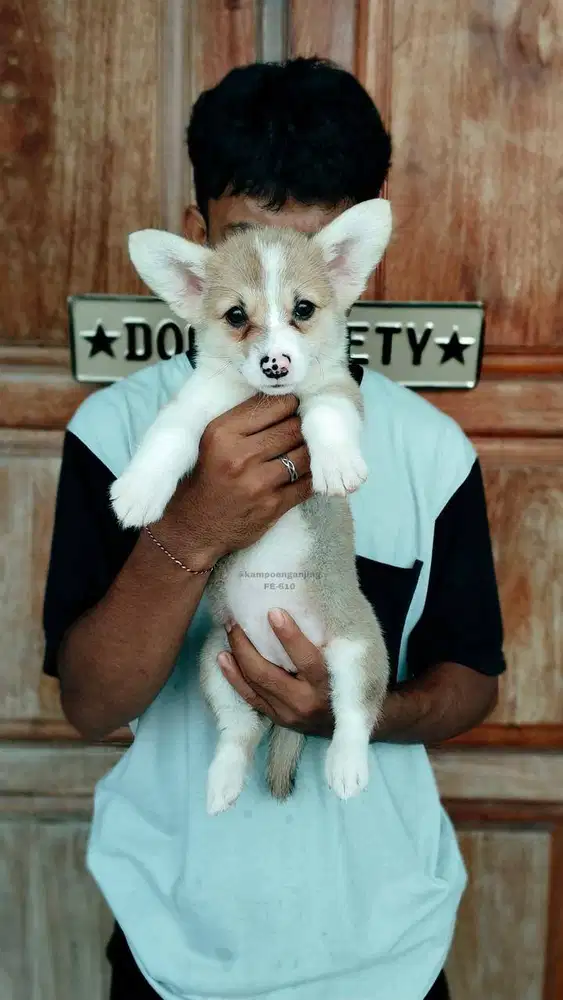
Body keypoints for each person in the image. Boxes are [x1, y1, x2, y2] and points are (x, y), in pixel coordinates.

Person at [43, 58, 505, 1000]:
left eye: (310, 262)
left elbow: (469, 684)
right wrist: (194, 527)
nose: (274, 326)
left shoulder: (431, 449)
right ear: (197, 247)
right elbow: (91, 704)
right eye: (247, 245)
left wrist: (355, 714)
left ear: (350, 267)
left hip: (385, 944)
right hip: (179, 941)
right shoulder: (118, 435)